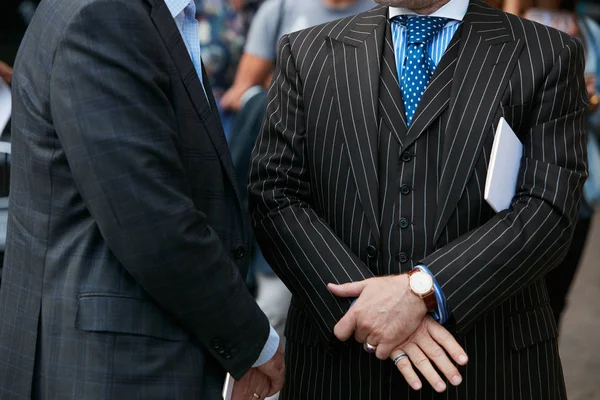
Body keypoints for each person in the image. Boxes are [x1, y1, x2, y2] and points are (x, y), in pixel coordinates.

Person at [248, 0, 588, 398]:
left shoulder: (547, 53)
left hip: (490, 365)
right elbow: (274, 193)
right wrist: (367, 313)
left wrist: (425, 290)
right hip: (339, 369)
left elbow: (548, 210)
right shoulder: (305, 53)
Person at [0, 0, 284, 398]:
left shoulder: (143, 15)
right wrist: (255, 343)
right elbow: (152, 223)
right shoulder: (106, 14)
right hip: (111, 366)